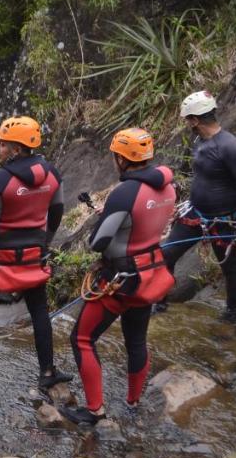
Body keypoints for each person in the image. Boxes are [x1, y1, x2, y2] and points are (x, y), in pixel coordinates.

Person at [63, 128, 177, 426]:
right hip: (149, 273)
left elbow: (98, 242)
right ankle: (133, 402)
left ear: (121, 159)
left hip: (120, 278)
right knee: (136, 340)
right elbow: (146, 222)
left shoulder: (124, 193)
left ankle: (94, 411)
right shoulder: (168, 187)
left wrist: (104, 217)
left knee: (82, 338)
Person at [0, 116, 73, 391]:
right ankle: (47, 371)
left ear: (16, 149)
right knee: (39, 311)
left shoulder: (0, 179)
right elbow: (56, 214)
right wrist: (45, 244)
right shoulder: (52, 174)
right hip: (33, 258)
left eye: (2, 144)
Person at [159, 91, 236, 323]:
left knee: (230, 266)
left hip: (223, 219)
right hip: (195, 214)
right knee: (167, 254)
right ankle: (159, 301)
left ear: (195, 120)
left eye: (188, 119)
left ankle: (233, 311)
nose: (187, 123)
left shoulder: (228, 145)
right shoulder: (199, 141)